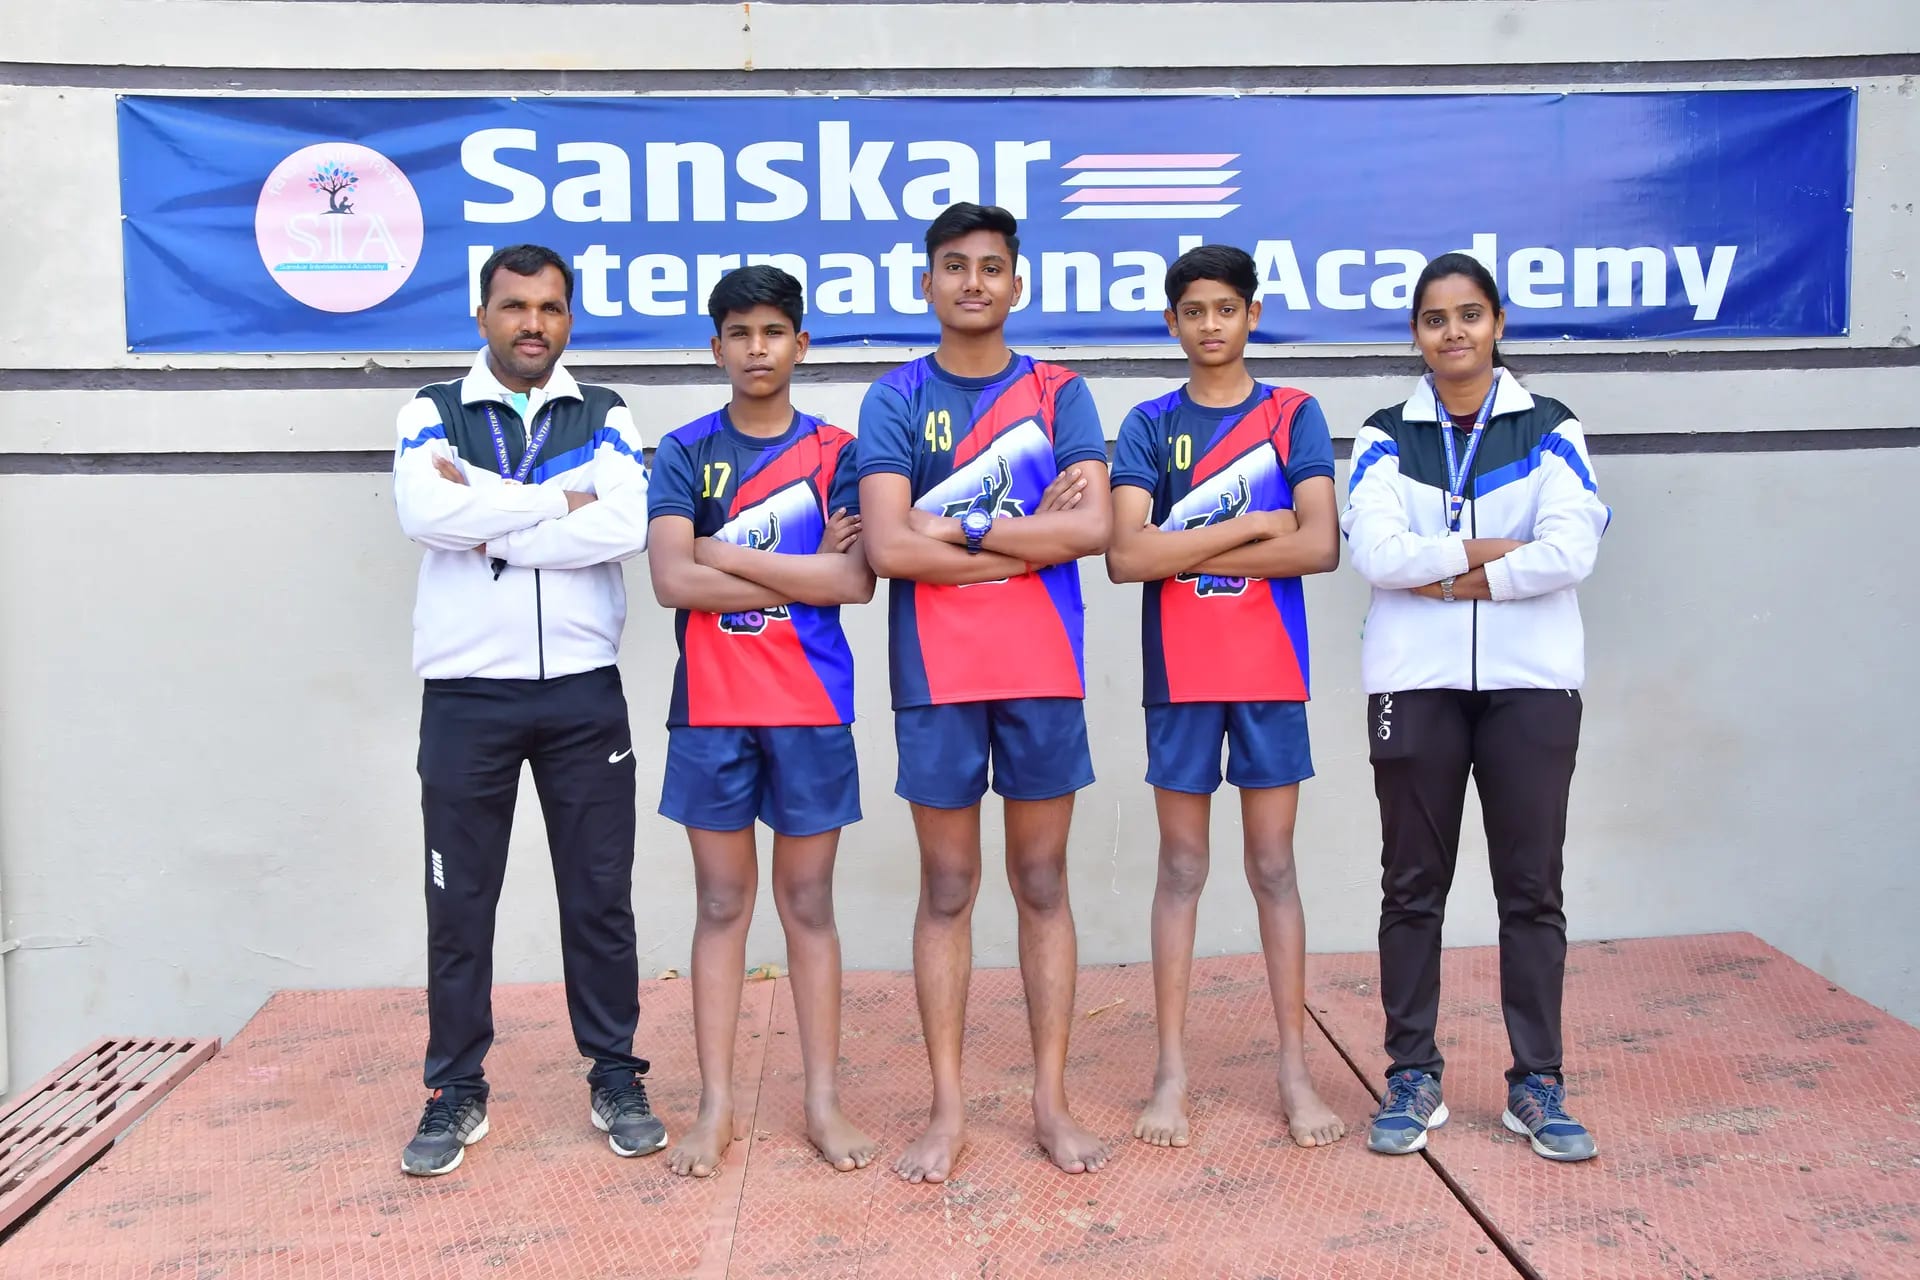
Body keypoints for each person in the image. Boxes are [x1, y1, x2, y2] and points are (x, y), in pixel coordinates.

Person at [390, 243, 663, 1176]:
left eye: (550, 308)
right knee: (458, 905)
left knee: (599, 898)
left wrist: (494, 516)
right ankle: (455, 1087)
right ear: (483, 315)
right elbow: (425, 516)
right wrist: (557, 501)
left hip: (583, 689)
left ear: (568, 318)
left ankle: (616, 1071)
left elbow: (624, 525)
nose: (532, 324)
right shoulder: (433, 411)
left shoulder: (607, 411)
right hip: (467, 695)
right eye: (514, 307)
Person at [857, 203, 1113, 1183]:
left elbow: (1090, 531)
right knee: (951, 888)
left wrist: (951, 533)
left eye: (990, 266)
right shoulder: (895, 397)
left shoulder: (1061, 392)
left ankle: (1050, 1101)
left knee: (1043, 884)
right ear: (926, 282)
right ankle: (949, 1108)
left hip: (1043, 665)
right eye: (953, 266)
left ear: (1017, 283)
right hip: (936, 674)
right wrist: (1013, 535)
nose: (972, 281)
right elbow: (885, 547)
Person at [1342, 251, 1608, 1163]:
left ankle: (1538, 1082)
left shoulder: (1552, 425)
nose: (1452, 333)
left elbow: (1572, 550)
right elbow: (1376, 554)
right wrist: (1497, 550)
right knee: (1412, 887)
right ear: (1415, 334)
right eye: (1433, 319)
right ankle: (1410, 1074)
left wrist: (1455, 577)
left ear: (1497, 323)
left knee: (1531, 891)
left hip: (1530, 685)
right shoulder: (1384, 434)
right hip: (1414, 684)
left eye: (1468, 315)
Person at [1106, 245, 1346, 1151]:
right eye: (1193, 311)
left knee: (1273, 868)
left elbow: (1318, 546)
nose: (1210, 325)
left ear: (1252, 316)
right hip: (1181, 676)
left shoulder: (1294, 415)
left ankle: (1293, 1067)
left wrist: (1183, 542)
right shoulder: (1147, 424)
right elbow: (1128, 559)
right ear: (1172, 323)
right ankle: (1171, 1072)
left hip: (1269, 672)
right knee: (1181, 869)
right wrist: (1247, 522)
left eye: (1225, 309)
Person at [646, 265, 877, 1179]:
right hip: (710, 708)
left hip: (811, 706)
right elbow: (671, 580)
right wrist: (794, 564)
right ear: (717, 347)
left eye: (774, 332)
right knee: (719, 904)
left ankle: (822, 1102)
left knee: (809, 903)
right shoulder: (683, 450)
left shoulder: (839, 453)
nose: (756, 349)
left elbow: (852, 582)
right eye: (739, 333)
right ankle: (715, 1107)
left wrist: (718, 550)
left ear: (800, 344)